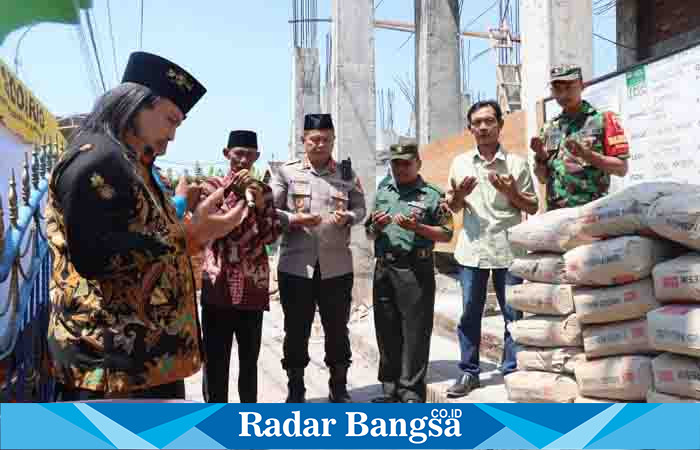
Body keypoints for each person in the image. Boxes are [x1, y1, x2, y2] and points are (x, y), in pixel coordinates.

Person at [46, 52, 249, 400]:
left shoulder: (132, 161)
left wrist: (194, 222)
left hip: (147, 361)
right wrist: (190, 234)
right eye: (170, 120)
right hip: (111, 364)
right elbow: (95, 256)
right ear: (136, 104)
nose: (172, 136)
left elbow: (143, 229)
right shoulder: (98, 159)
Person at [444, 100, 538, 398]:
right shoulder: (460, 163)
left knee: (513, 314)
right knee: (470, 314)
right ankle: (469, 373)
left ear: (500, 125)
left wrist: (511, 192)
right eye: (477, 123)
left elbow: (533, 206)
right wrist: (458, 195)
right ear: (469, 128)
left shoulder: (517, 164)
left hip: (508, 250)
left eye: (489, 121)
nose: (483, 127)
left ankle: (511, 371)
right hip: (472, 250)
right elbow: (453, 208)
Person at [271, 113, 366, 403]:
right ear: (303, 141)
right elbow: (270, 211)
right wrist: (295, 219)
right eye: (314, 139)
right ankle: (295, 388)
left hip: (336, 267)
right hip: (296, 267)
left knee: (337, 329)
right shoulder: (285, 172)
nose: (320, 144)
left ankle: (339, 386)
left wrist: (349, 216)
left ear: (333, 140)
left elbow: (361, 209)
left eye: (326, 139)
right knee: (296, 329)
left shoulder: (347, 175)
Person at [365, 143, 453, 403]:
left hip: (415, 268)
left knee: (415, 331)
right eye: (396, 163)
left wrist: (419, 228)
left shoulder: (432, 195)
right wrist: (376, 227)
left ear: (418, 163)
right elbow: (368, 231)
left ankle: (411, 391)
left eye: (406, 163)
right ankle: (390, 387)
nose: (401, 168)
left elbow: (447, 233)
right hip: (384, 267)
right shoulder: (384, 191)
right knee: (386, 328)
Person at [199, 130, 281, 403]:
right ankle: (214, 421)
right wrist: (232, 195)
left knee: (249, 360)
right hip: (217, 283)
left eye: (249, 155)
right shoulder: (210, 188)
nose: (243, 160)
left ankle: (247, 420)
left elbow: (270, 236)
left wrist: (258, 205)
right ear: (226, 154)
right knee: (216, 360)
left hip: (251, 287)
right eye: (238, 154)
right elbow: (211, 230)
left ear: (257, 157)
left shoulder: (265, 192)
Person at [531, 64, 630, 210]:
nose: (564, 94)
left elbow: (621, 169)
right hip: (557, 216)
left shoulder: (603, 120)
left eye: (569, 87)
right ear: (552, 92)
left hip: (592, 212)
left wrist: (587, 155)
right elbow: (542, 178)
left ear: (582, 86)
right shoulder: (549, 128)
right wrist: (540, 156)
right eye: (558, 89)